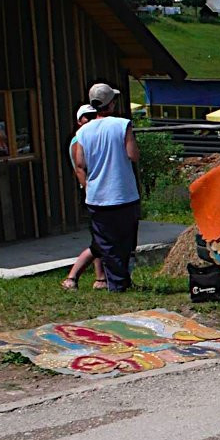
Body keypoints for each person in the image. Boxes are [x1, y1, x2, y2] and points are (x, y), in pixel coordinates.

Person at [71, 83, 141, 293]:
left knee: (106, 242)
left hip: (97, 197)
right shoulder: (122, 125)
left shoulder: (83, 132)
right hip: (123, 193)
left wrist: (87, 187)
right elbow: (133, 155)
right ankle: (120, 281)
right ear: (111, 103)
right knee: (126, 240)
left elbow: (80, 163)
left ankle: (116, 282)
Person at [61, 104, 106, 291]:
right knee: (99, 240)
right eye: (86, 117)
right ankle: (72, 277)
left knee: (100, 239)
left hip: (100, 192)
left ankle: (101, 278)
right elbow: (80, 169)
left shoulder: (91, 139)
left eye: (93, 116)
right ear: (79, 121)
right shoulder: (77, 142)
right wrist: (90, 192)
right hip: (91, 193)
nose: (90, 120)